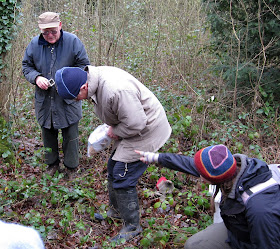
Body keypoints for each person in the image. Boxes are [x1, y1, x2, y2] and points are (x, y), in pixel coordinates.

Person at [54, 66, 172, 242]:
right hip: (131, 126)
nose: (76, 101)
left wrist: (115, 132)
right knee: (113, 166)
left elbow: (137, 123)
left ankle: (132, 226)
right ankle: (116, 212)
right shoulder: (92, 80)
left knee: (122, 174)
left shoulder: (115, 90)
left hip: (147, 130)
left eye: (74, 97)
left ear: (83, 87)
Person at [136, 144, 280, 249]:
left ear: (216, 178)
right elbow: (189, 164)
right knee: (193, 245)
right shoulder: (229, 168)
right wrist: (155, 157)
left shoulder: (260, 209)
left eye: (202, 176)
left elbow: (267, 244)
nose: (200, 177)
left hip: (256, 238)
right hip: (238, 230)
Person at [22, 12, 90, 176]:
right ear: (40, 30)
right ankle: (52, 165)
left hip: (68, 99)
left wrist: (68, 81)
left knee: (70, 135)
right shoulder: (34, 44)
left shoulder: (73, 42)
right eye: (45, 33)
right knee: (48, 133)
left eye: (53, 31)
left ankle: (71, 168)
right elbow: (26, 67)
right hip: (44, 100)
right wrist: (36, 77)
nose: (49, 35)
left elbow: (85, 66)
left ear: (60, 25)